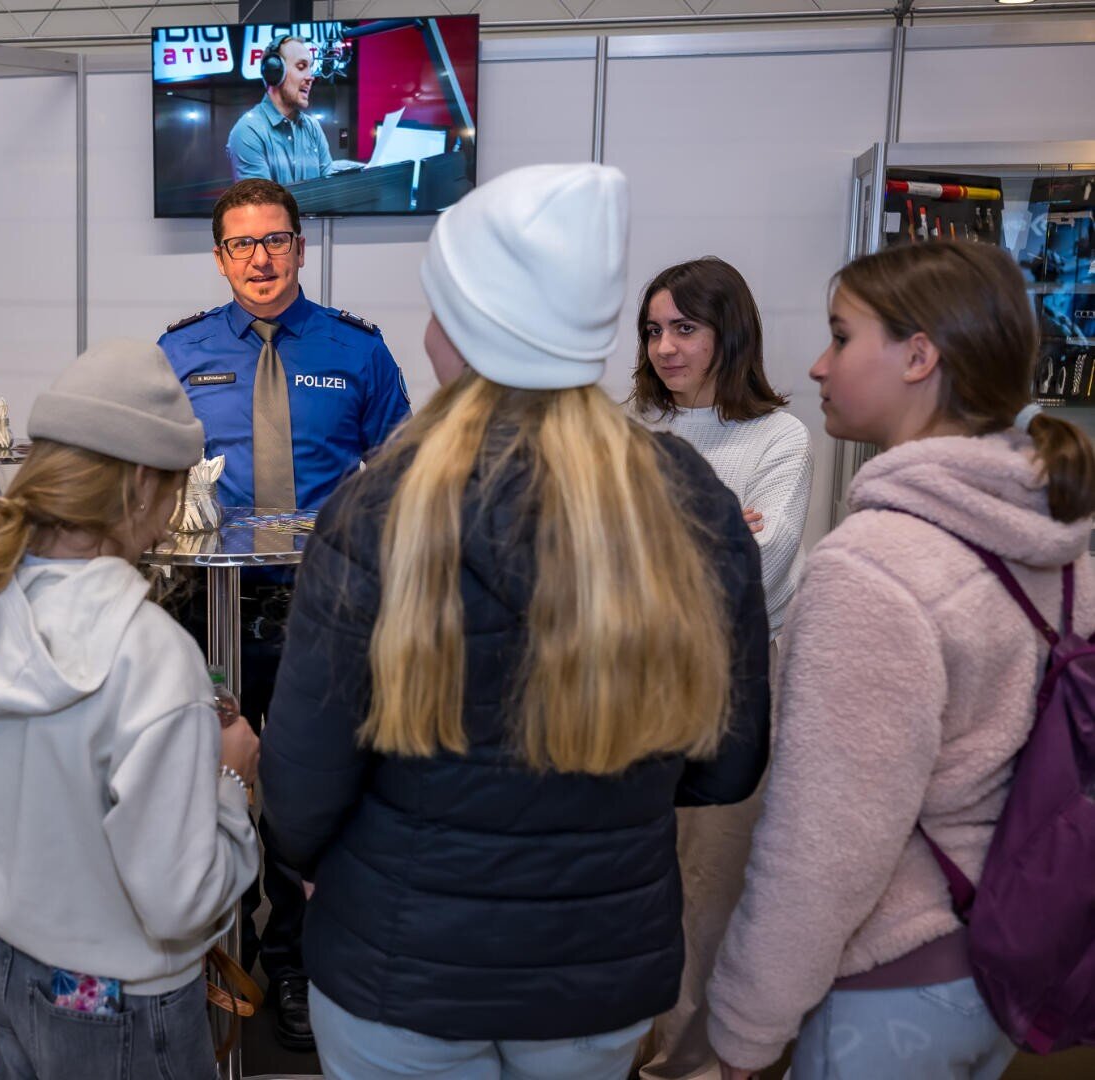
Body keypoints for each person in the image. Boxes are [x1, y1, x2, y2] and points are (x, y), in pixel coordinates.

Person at [259, 163, 771, 1080]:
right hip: (599, 973)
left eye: (437, 308)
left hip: (398, 967)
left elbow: (302, 783)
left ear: (468, 328)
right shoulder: (687, 500)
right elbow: (728, 758)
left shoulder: (383, 508)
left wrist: (310, 858)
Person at [708, 241, 1095, 1080]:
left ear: (919, 355)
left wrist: (743, 1031)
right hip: (1008, 951)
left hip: (895, 981)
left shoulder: (874, 567)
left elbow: (824, 846)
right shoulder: (1056, 538)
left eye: (842, 337)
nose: (817, 364)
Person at [0, 338, 261, 1079]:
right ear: (138, 483)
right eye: (171, 491)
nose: (170, 517)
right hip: (121, 1001)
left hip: (3, 967)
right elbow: (184, 905)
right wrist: (230, 782)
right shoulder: (153, 655)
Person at [157, 176, 410, 1051]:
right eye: (241, 245)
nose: (259, 260)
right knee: (201, 786)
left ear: (300, 249)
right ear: (220, 256)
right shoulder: (178, 353)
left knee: (310, 801)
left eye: (275, 242)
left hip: (325, 614)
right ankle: (208, 957)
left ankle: (295, 962)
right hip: (209, 612)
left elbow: (402, 480)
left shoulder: (359, 351)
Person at [630, 257, 814, 1080]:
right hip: (628, 685)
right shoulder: (630, 424)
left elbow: (759, 566)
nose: (665, 348)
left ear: (726, 334)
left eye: (684, 329)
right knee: (633, 879)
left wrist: (657, 540)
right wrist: (714, 527)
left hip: (727, 689)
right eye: (653, 330)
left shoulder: (779, 437)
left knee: (706, 892)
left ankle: (688, 1064)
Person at [227, 36, 333, 184]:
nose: (310, 77)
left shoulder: (313, 128)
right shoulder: (247, 131)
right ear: (274, 71)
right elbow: (263, 204)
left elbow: (329, 189)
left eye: (311, 68)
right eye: (301, 67)